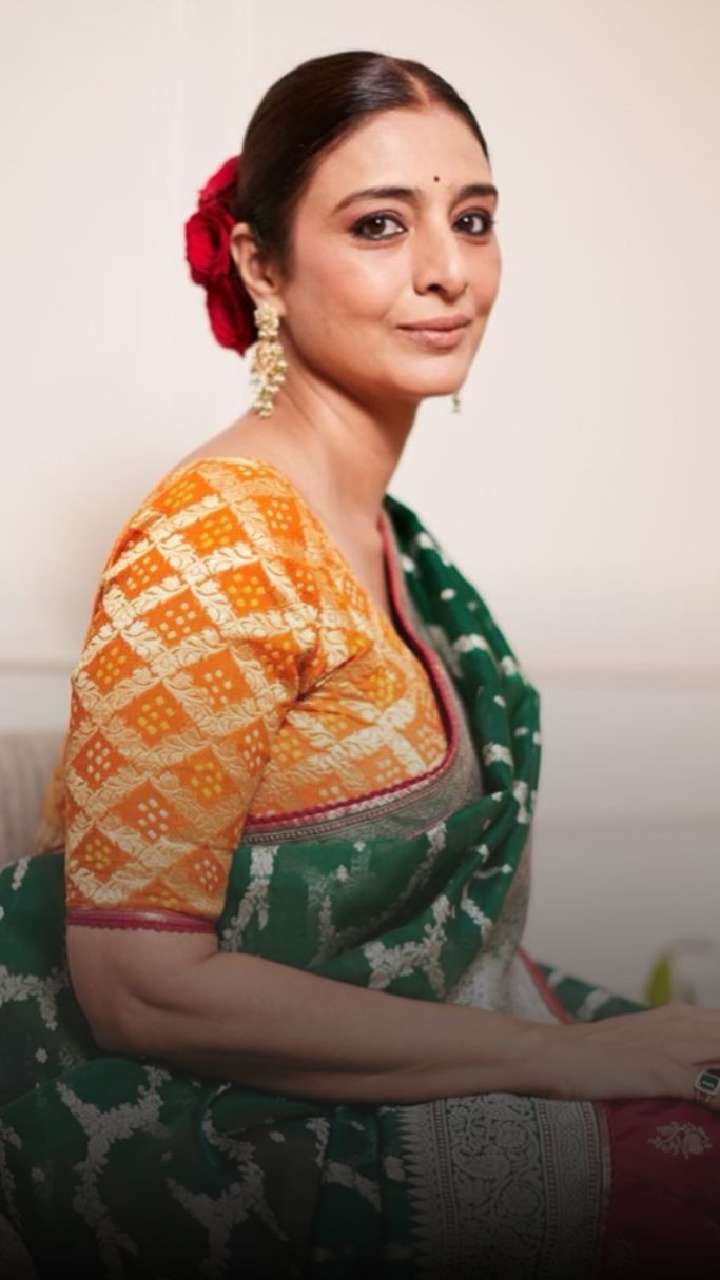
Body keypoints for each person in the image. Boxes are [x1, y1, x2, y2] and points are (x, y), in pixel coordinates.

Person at [1, 48, 719, 1280]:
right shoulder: (213, 542)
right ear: (259, 263)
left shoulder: (383, 532)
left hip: (412, 1047)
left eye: (472, 219)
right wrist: (570, 1059)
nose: (448, 269)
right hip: (219, 1132)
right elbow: (138, 989)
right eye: (380, 224)